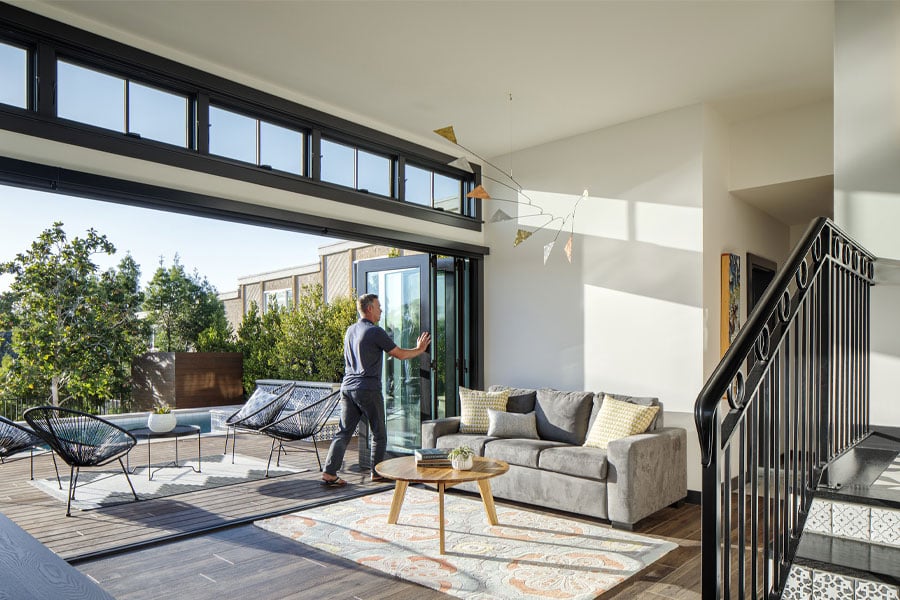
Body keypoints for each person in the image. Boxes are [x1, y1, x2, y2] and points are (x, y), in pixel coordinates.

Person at [321, 293, 431, 486]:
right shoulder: (375, 331)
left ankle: (329, 472)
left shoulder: (350, 331)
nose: (381, 310)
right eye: (379, 307)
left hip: (348, 388)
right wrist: (419, 350)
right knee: (379, 433)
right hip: (368, 388)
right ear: (369, 308)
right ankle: (377, 472)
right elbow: (399, 354)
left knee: (344, 432)